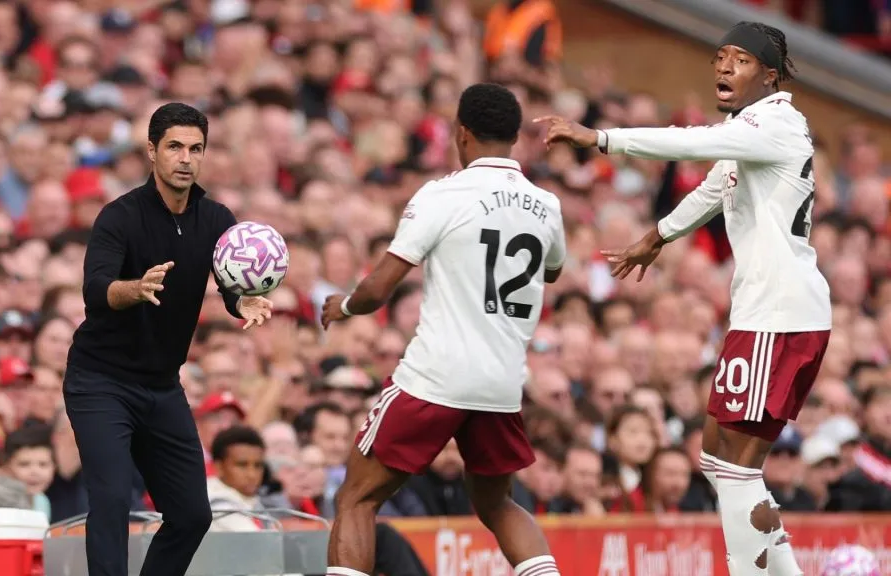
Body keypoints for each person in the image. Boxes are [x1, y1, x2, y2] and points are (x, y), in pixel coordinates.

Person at [539, 21, 828, 576]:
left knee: (737, 467)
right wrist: (657, 236)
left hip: (780, 311)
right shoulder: (752, 131)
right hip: (768, 311)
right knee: (719, 458)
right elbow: (715, 186)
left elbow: (692, 143)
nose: (724, 66)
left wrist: (601, 138)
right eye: (720, 56)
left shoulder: (773, 123)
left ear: (769, 76)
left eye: (740, 59)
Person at [321, 83, 567, 576]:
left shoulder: (443, 194)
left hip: (437, 376)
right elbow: (553, 270)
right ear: (514, 138)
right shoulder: (547, 205)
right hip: (501, 383)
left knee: (356, 498)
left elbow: (378, 289)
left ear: (462, 133)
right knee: (496, 503)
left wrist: (342, 306)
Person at [64, 102, 274, 576]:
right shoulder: (120, 216)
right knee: (112, 499)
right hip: (101, 381)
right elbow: (96, 290)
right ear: (152, 151)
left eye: (195, 149)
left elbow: (230, 283)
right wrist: (134, 289)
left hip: (161, 386)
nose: (185, 158)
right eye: (175, 147)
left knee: (192, 515)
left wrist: (242, 302)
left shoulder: (216, 218)